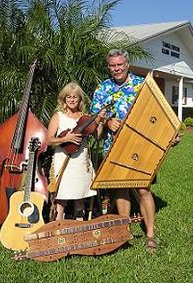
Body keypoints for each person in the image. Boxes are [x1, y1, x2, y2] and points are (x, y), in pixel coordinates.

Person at [90, 49, 180, 252]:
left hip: (142, 147)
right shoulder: (102, 88)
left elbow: (158, 113)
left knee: (143, 189)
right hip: (114, 147)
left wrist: (169, 135)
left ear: (127, 64)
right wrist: (107, 120)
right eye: (113, 65)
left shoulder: (142, 85)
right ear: (109, 67)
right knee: (121, 188)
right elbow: (94, 117)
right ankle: (124, 233)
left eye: (120, 64)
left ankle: (150, 235)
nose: (117, 68)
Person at [47, 82, 98, 221]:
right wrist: (65, 138)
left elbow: (97, 136)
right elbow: (49, 140)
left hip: (81, 161)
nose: (71, 99)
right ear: (64, 99)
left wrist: (100, 120)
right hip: (63, 161)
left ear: (80, 99)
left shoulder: (85, 118)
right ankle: (59, 228)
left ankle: (79, 227)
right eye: (68, 96)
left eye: (75, 97)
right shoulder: (58, 116)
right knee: (61, 197)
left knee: (80, 196)